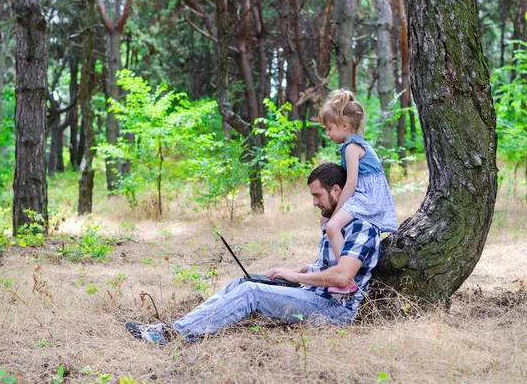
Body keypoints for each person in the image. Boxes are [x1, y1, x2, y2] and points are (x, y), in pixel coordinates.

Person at [124, 163, 383, 345]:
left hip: (334, 312)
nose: (314, 202)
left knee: (252, 293)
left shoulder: (361, 226)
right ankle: (180, 327)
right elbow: (325, 264)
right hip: (313, 296)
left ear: (336, 190)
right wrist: (297, 271)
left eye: (317, 195)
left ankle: (172, 336)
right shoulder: (337, 223)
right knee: (245, 282)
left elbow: (342, 278)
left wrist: (295, 279)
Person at [318, 90, 397, 294]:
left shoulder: (351, 147)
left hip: (367, 197)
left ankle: (344, 276)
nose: (328, 133)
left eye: (329, 128)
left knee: (332, 226)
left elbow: (352, 183)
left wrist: (337, 211)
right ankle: (335, 264)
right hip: (366, 194)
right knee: (327, 223)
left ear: (344, 125)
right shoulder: (353, 144)